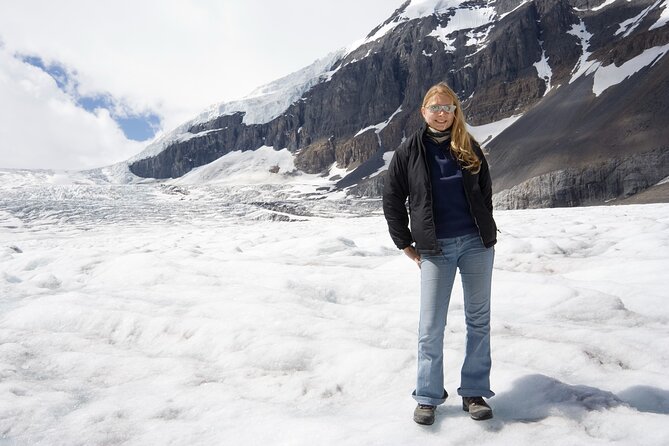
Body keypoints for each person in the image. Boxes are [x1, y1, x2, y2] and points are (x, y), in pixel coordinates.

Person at [382, 82, 497, 425]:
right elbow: (391, 198)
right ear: (423, 111)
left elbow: (485, 192)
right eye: (436, 108)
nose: (442, 114)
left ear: (455, 111)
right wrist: (405, 243)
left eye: (448, 108)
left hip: (476, 244)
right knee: (431, 325)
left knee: (479, 321)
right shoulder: (409, 152)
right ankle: (428, 396)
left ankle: (474, 393)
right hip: (435, 249)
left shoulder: (469, 146)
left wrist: (485, 230)